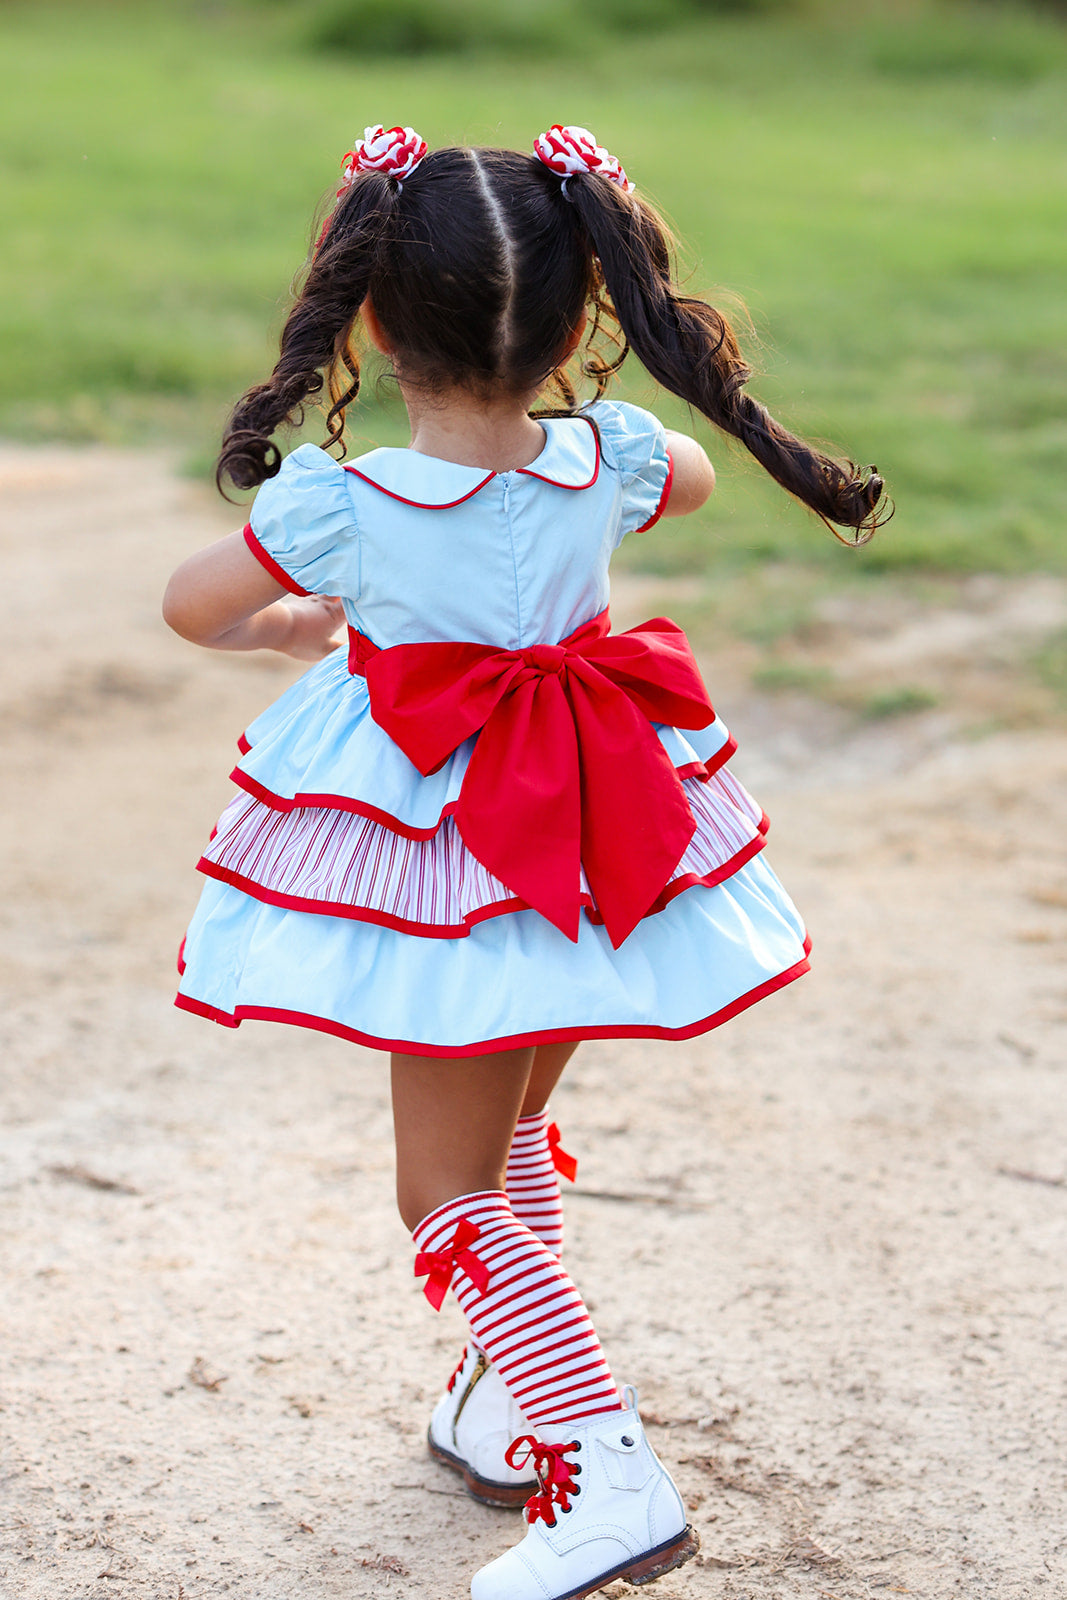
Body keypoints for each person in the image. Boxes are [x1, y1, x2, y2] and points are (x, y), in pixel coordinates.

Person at [163, 123, 885, 1600]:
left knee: (445, 1191)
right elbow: (678, 475)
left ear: (368, 312)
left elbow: (191, 604)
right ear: (586, 314)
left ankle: (603, 1465)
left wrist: (308, 615)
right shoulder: (615, 459)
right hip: (581, 826)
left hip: (443, 864)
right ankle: (503, 1402)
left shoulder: (339, 501)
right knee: (504, 1144)